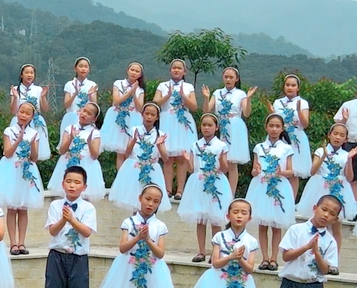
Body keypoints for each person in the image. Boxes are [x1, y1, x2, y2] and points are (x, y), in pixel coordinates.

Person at [45, 166, 98, 288]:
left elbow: (87, 232)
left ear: (84, 186)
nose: (72, 186)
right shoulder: (55, 205)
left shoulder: (88, 208)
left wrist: (73, 220)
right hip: (57, 256)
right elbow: (52, 231)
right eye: (69, 181)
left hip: (78, 258)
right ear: (63, 184)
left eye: (77, 182)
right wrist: (63, 219)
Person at [246, 113, 297, 271]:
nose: (274, 129)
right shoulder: (259, 147)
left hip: (279, 186)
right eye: (271, 126)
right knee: (262, 225)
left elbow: (291, 171)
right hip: (261, 186)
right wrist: (256, 171)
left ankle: (274, 258)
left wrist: (282, 172)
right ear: (266, 127)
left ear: (282, 128)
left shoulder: (286, 148)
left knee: (276, 226)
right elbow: (254, 170)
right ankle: (264, 258)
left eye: (277, 126)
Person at [178, 113, 232, 261]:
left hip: (216, 182)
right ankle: (201, 251)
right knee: (200, 220)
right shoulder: (195, 145)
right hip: (199, 182)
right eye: (204, 125)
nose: (206, 128)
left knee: (215, 220)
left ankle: (216, 252)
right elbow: (192, 169)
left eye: (210, 125)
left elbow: (225, 169)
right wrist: (187, 160)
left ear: (216, 127)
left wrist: (221, 161)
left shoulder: (221, 145)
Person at [0, 100, 47, 254]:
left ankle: (22, 243)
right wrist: (18, 141)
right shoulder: (9, 131)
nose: (23, 115)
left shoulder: (34, 133)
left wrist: (32, 145)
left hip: (26, 170)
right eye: (21, 112)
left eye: (27, 113)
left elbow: (34, 158)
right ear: (17, 113)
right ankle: (13, 243)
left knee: (23, 209)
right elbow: (7, 153)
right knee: (12, 208)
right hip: (11, 169)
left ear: (32, 116)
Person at [108, 101, 168, 212]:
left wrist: (159, 145)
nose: (149, 117)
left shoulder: (160, 134)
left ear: (157, 117)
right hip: (134, 169)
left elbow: (165, 159)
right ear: (142, 114)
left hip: (152, 170)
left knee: (150, 200)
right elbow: (127, 153)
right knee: (135, 201)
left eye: (153, 114)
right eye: (147, 113)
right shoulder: (134, 130)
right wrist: (133, 140)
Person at [297, 123, 356, 231]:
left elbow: (349, 178)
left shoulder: (346, 154)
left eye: (342, 135)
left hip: (339, 189)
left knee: (336, 226)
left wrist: (350, 159)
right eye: (335, 133)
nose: (337, 137)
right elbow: (313, 171)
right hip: (320, 187)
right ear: (329, 135)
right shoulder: (320, 151)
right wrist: (324, 155)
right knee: (317, 220)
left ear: (346, 139)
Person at [156, 59, 200, 193]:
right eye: (174, 68)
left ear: (184, 72)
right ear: (170, 70)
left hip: (182, 122)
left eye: (179, 68)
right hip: (167, 121)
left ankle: (180, 191)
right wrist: (168, 95)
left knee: (182, 157)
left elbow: (194, 107)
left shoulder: (188, 87)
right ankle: (167, 190)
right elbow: (156, 103)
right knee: (167, 158)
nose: (176, 70)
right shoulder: (162, 85)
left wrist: (183, 96)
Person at [205, 65, 252, 186]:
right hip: (220, 126)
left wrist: (248, 99)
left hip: (235, 127)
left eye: (231, 77)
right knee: (218, 159)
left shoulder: (241, 94)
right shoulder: (217, 93)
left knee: (231, 162)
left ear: (237, 79)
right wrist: (206, 98)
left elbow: (246, 113)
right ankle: (217, 187)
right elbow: (206, 111)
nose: (228, 79)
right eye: (226, 77)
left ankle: (231, 192)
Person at [48, 101, 105, 200]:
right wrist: (70, 138)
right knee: (68, 195)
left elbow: (95, 156)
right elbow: (62, 151)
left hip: (87, 165)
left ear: (94, 118)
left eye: (89, 113)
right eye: (84, 111)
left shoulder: (95, 132)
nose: (84, 114)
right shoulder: (69, 128)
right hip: (68, 163)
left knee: (85, 197)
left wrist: (89, 142)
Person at [273, 73, 314, 180]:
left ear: (298, 88)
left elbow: (305, 124)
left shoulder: (303, 102)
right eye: (287, 85)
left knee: (294, 172)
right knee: (278, 169)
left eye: (293, 85)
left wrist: (299, 111)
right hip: (280, 137)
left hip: (296, 139)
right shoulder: (277, 102)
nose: (290, 88)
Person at [101, 62, 147, 153]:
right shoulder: (118, 83)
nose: (134, 72)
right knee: (119, 151)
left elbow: (139, 109)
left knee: (129, 148)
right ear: (127, 70)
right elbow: (116, 102)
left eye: (137, 71)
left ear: (140, 74)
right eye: (132, 70)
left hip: (132, 118)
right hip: (117, 115)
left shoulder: (140, 90)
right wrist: (130, 92)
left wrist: (134, 94)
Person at [10, 63, 51, 161]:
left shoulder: (38, 89)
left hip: (35, 121)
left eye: (31, 73)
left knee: (35, 150)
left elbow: (46, 109)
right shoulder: (15, 89)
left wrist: (43, 97)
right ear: (21, 75)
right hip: (20, 121)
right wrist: (15, 97)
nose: (29, 75)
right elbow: (13, 111)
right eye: (27, 72)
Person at [60, 58, 101, 142]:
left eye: (86, 67)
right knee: (69, 142)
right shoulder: (69, 84)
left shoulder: (92, 84)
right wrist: (75, 93)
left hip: (87, 119)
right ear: (75, 68)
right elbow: (66, 105)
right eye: (81, 66)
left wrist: (90, 95)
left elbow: (95, 106)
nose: (83, 69)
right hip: (71, 118)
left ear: (89, 69)